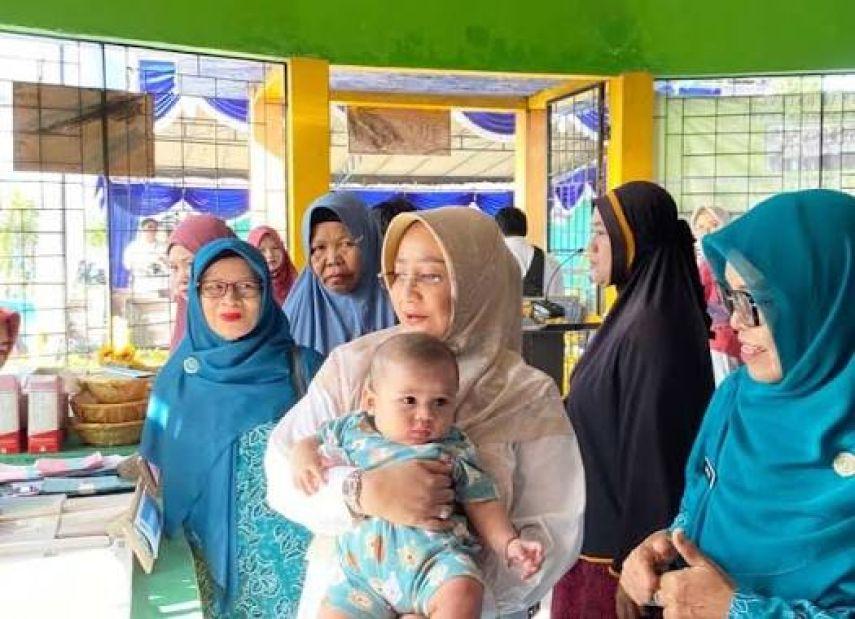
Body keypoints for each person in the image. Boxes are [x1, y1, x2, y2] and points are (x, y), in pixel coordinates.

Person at [266, 206, 585, 619]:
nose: (407, 292)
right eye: (398, 274)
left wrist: (445, 597)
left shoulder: (525, 395)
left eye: (431, 275)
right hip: (352, 596)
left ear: (478, 282)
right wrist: (361, 491)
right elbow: (283, 470)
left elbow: (553, 531)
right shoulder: (357, 366)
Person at [619, 189, 855, 619]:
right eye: (731, 298)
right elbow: (700, 501)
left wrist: (741, 611)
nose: (735, 321)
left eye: (756, 302)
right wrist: (665, 548)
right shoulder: (738, 396)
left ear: (826, 299)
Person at [293, 332, 544, 618]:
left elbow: (482, 501)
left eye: (440, 402)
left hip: (434, 564)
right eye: (409, 400)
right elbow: (311, 440)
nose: (425, 415)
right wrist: (304, 455)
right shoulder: (352, 430)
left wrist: (509, 543)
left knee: (464, 591)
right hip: (360, 577)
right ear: (371, 401)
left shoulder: (453, 447)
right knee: (330, 611)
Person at [553, 181, 714, 618]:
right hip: (595, 543)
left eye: (600, 234)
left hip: (616, 565)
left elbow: (656, 457)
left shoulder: (653, 331)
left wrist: (634, 564)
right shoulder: (633, 314)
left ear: (635, 239)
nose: (590, 249)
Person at [140, 238, 323, 617]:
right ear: (195, 294)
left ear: (266, 291)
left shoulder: (306, 369)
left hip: (291, 569)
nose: (230, 300)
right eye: (215, 287)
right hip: (202, 564)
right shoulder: (175, 382)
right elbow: (157, 480)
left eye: (246, 287)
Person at [284, 192, 396, 357]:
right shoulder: (291, 320)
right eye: (319, 248)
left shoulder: (403, 309)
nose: (332, 260)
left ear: (369, 244)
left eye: (347, 244)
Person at [166, 214, 235, 351]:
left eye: (190, 264)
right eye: (174, 268)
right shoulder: (186, 319)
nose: (181, 278)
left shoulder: (248, 321)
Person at [691, 206, 742, 385]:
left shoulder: (715, 264)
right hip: (726, 340)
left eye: (713, 225)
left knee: (724, 388)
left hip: (721, 340)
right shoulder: (706, 262)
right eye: (700, 227)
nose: (706, 232)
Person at [494, 206, 564, 298]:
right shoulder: (551, 262)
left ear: (496, 230)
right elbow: (558, 301)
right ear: (526, 229)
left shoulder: (489, 262)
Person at [248, 225, 298, 305]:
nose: (270, 254)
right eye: (261, 250)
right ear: (252, 254)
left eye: (275, 248)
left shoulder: (297, 283)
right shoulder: (247, 285)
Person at [123, 217, 168, 295]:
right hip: (140, 288)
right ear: (142, 229)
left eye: (155, 228)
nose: (152, 230)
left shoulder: (164, 247)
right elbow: (127, 265)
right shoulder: (133, 247)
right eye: (150, 227)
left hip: (160, 287)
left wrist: (163, 261)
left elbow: (170, 265)